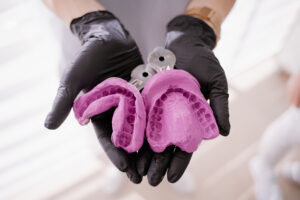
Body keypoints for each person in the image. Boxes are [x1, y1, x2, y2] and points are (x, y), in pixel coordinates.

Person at [43, 0, 234, 186]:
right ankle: (118, 165)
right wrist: (92, 21)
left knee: (179, 133)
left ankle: (173, 142)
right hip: (95, 50)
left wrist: (198, 23)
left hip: (176, 38)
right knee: (103, 129)